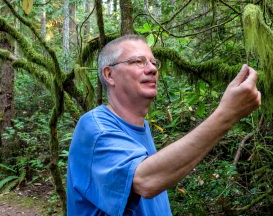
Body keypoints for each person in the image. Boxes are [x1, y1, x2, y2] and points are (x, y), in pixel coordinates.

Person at [67, 34, 261, 215]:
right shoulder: (95, 128)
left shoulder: (141, 128)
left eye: (153, 62)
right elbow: (145, 181)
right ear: (109, 75)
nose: (152, 69)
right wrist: (226, 114)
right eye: (138, 61)